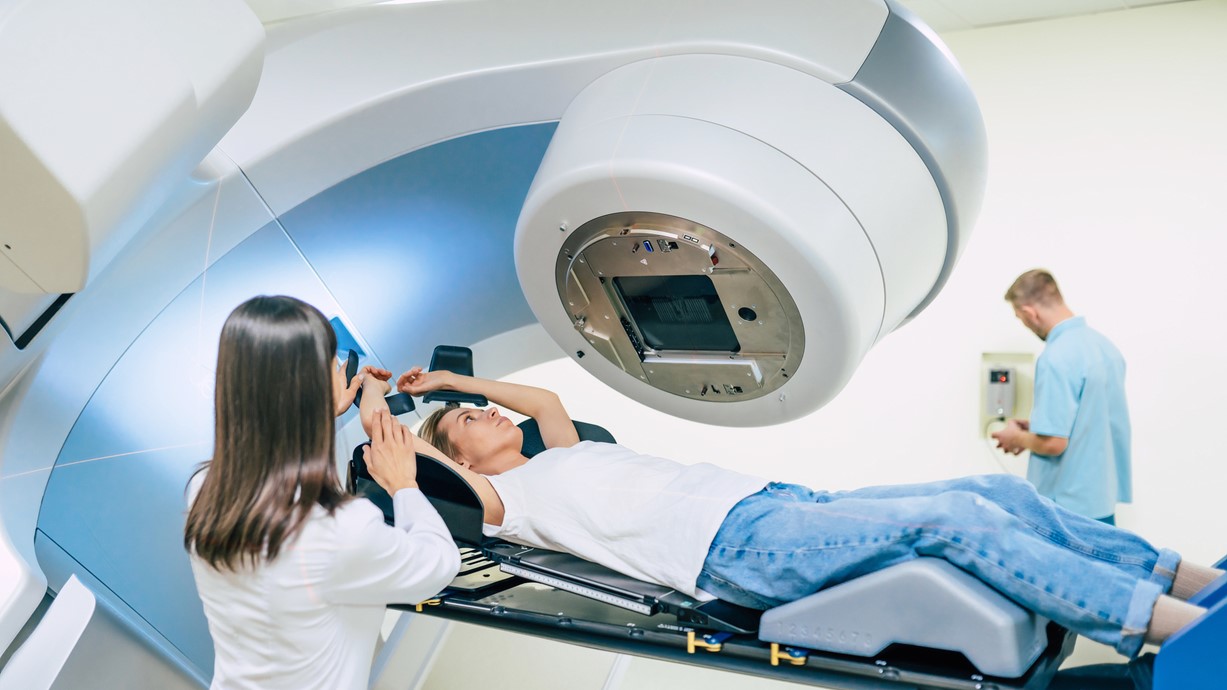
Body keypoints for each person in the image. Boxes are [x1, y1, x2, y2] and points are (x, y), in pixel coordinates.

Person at [357, 366, 1222, 661]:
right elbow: (409, 459)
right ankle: (1174, 629)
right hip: (739, 552)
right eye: (471, 422)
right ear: (458, 458)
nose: (489, 417)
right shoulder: (508, 503)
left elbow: (542, 395)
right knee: (959, 523)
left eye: (482, 409)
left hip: (775, 502)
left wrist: (456, 384)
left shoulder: (563, 447)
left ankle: (1193, 581)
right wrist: (387, 410)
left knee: (991, 490)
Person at [184, 296, 460, 690]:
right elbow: (438, 565)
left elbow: (293, 484)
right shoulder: (342, 529)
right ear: (308, 390)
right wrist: (404, 483)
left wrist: (324, 411)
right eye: (334, 364)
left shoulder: (206, 487)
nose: (342, 370)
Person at [991, 269, 1131, 524]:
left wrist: (1016, 436)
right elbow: (1090, 425)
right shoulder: (1105, 348)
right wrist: (1036, 427)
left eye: (1019, 318)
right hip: (1101, 501)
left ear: (1029, 312)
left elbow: (1054, 443)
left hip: (1066, 510)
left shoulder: (1056, 356)